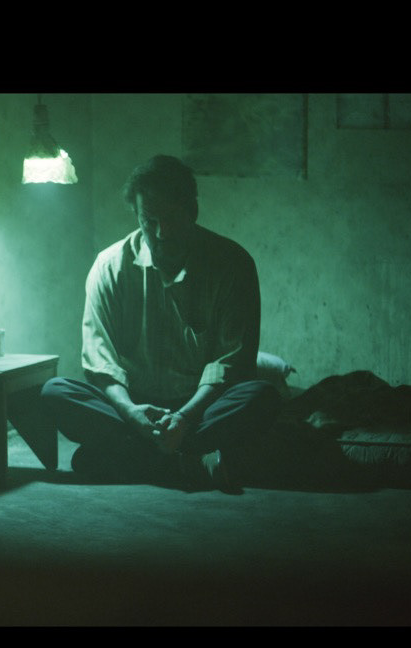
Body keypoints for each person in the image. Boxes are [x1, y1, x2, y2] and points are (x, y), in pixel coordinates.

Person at [41, 155, 281, 492]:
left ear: (192, 212)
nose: (161, 233)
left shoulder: (232, 264)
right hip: (133, 406)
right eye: (149, 220)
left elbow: (232, 362)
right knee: (56, 392)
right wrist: (131, 412)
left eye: (171, 220)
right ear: (137, 216)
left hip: (201, 408)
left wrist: (183, 417)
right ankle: (189, 461)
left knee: (262, 397)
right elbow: (100, 361)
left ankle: (132, 459)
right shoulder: (109, 267)